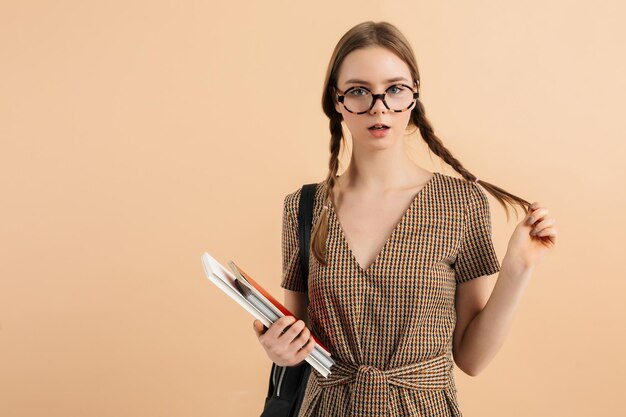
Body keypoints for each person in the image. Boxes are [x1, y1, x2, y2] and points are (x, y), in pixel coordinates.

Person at [253, 21, 557, 417]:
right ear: (338, 101)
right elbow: (296, 338)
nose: (379, 107)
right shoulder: (304, 206)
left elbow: (472, 359)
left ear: (414, 96)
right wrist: (278, 348)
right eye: (359, 91)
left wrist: (518, 266)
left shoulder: (460, 203)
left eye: (394, 89)